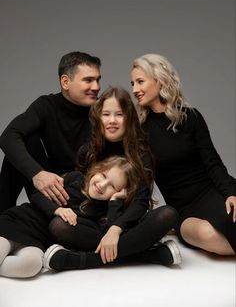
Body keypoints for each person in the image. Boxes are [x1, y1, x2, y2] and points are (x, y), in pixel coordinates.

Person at [44, 87, 181, 271]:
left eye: (119, 114)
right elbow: (85, 193)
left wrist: (115, 229)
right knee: (59, 226)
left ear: (129, 119)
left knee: (168, 214)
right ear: (98, 118)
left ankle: (81, 260)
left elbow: (141, 202)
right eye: (106, 114)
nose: (112, 121)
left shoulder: (141, 154)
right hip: (92, 223)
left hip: (127, 224)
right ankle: (149, 255)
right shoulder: (89, 150)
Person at [130, 53, 236, 256]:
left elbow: (212, 162)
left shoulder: (191, 117)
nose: (135, 89)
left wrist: (230, 193)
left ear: (159, 80)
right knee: (208, 234)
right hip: (184, 209)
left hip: (214, 190)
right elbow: (140, 181)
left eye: (140, 82)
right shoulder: (139, 130)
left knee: (230, 218)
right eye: (133, 83)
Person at [0, 156, 138, 278]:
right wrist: (57, 209)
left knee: (31, 266)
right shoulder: (76, 179)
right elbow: (36, 195)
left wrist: (115, 202)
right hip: (17, 223)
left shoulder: (102, 211)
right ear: (97, 170)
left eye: (112, 187)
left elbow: (106, 235)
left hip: (37, 241)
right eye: (103, 176)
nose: (102, 185)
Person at [0, 51, 101, 213]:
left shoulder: (103, 113)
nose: (96, 87)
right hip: (51, 186)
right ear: (65, 82)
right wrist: (37, 174)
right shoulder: (46, 106)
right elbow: (8, 137)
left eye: (98, 80)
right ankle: (2, 216)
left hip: (86, 191)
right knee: (25, 140)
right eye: (88, 80)